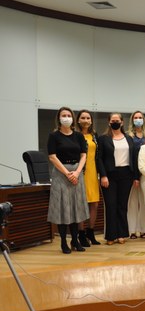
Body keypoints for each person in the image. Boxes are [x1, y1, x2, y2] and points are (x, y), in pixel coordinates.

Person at [47, 107, 89, 254]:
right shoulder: (54, 136)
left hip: (77, 173)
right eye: (63, 115)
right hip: (61, 174)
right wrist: (67, 173)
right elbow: (52, 156)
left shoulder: (78, 136)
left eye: (68, 115)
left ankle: (75, 240)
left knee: (75, 208)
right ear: (59, 118)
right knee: (63, 209)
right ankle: (64, 242)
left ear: (72, 118)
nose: (66, 118)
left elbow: (84, 155)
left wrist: (77, 172)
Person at [98, 113, 138, 245]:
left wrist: (135, 177)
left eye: (118, 120)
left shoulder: (129, 138)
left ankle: (121, 234)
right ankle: (111, 235)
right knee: (111, 205)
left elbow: (133, 158)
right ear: (109, 122)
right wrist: (103, 175)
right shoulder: (103, 139)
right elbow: (99, 159)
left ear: (122, 122)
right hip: (109, 176)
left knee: (122, 206)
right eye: (112, 120)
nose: (115, 122)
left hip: (126, 174)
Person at [75, 109, 101, 247]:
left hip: (93, 172)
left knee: (94, 204)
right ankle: (81, 233)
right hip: (80, 172)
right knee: (81, 204)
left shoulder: (94, 135)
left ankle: (90, 231)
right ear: (78, 120)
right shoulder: (75, 135)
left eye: (88, 118)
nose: (86, 120)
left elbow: (98, 155)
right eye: (83, 118)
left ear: (91, 120)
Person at [127, 110, 145, 239]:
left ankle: (143, 229)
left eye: (140, 117)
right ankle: (132, 230)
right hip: (132, 174)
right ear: (132, 120)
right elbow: (130, 157)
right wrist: (135, 176)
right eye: (136, 117)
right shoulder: (128, 136)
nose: (138, 119)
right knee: (133, 203)